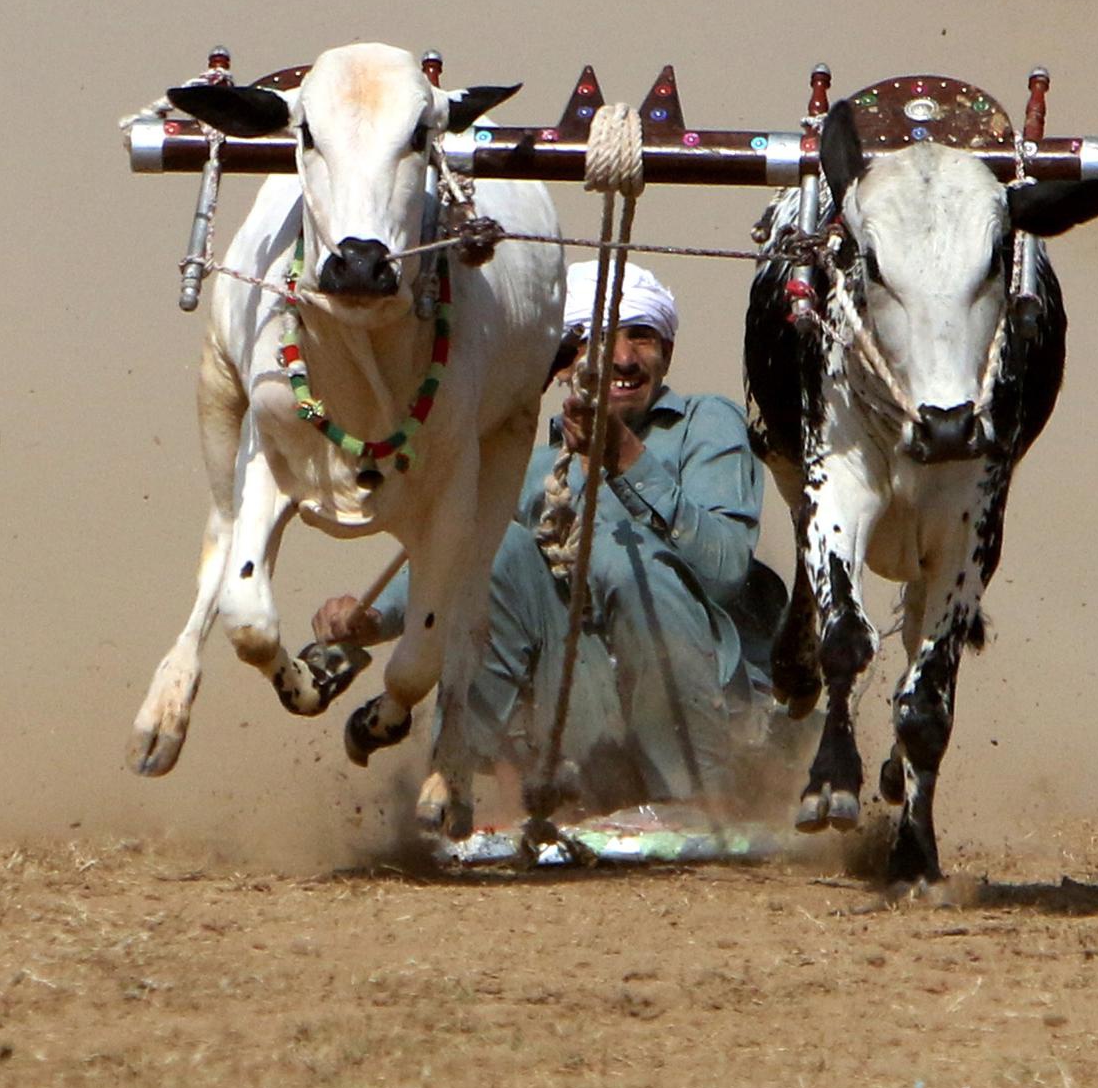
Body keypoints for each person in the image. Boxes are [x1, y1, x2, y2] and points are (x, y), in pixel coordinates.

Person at [312, 261, 785, 813]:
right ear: (564, 365)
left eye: (642, 336)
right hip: (582, 709)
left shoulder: (705, 426)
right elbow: (449, 561)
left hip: (700, 705)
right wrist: (372, 619)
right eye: (600, 340)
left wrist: (626, 458)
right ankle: (472, 790)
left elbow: (725, 569)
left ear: (668, 352)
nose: (625, 359)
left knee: (626, 557)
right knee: (497, 548)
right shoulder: (526, 464)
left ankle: (693, 799)